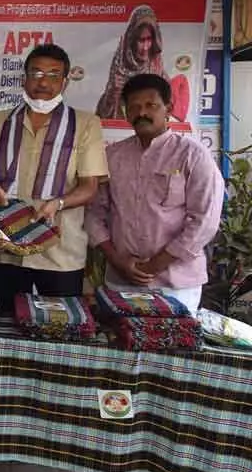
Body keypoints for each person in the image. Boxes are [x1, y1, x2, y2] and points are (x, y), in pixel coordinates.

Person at [0, 44, 108, 313]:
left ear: (65, 82)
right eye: (35, 74)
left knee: (61, 328)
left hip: (60, 252)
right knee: (10, 322)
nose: (43, 82)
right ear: (24, 78)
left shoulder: (85, 123)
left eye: (53, 75)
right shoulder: (1, 121)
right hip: (9, 246)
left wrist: (56, 204)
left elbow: (89, 187)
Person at [86, 74, 224, 313]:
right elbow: (94, 212)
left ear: (168, 108)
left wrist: (154, 266)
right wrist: (117, 260)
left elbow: (204, 220)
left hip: (176, 285)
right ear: (126, 112)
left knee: (172, 349)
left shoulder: (193, 155)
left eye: (151, 105)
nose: (142, 113)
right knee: (121, 346)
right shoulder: (113, 156)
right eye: (134, 107)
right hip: (120, 280)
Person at [96, 6, 186, 121]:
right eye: (141, 40)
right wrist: (113, 95)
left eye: (149, 40)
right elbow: (102, 117)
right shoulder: (118, 71)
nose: (145, 47)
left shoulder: (158, 72)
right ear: (132, 40)